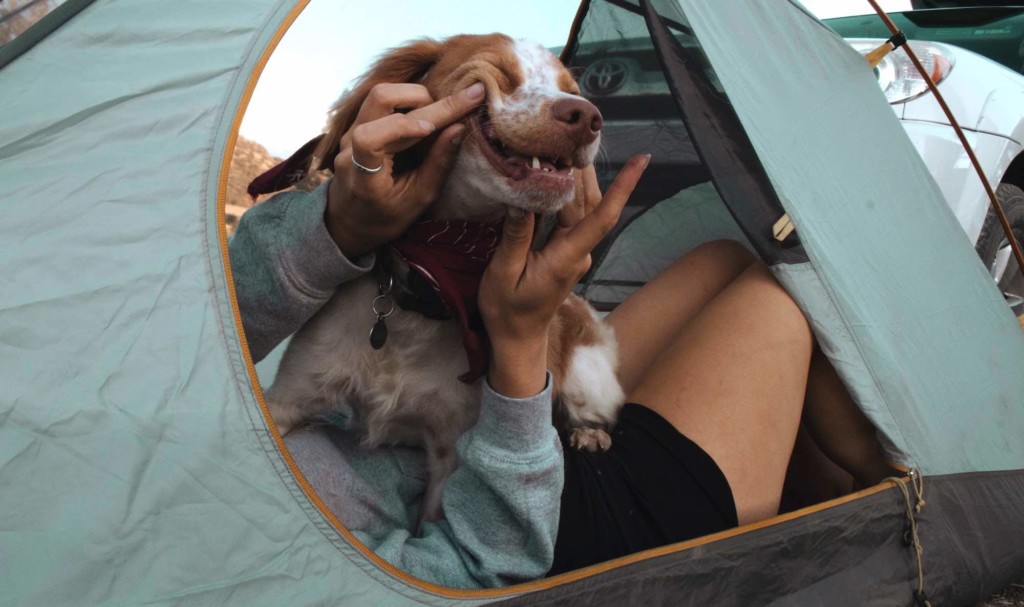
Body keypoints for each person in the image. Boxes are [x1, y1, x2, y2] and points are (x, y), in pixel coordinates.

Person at [229, 82, 891, 587]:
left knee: (724, 258)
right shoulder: (243, 563)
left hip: (498, 447)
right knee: (775, 299)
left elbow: (225, 313)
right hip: (554, 540)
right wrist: (518, 347)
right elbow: (488, 567)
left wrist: (339, 224)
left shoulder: (161, 380)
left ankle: (803, 490)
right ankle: (889, 506)